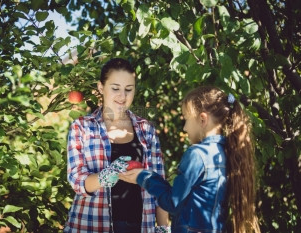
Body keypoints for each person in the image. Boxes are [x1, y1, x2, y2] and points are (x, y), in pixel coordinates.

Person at [120, 86, 261, 233]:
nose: (185, 128)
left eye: (186, 119)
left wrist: (143, 176)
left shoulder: (197, 155)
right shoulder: (228, 154)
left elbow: (173, 202)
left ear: (202, 119)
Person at [63, 58, 170, 233]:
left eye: (129, 89)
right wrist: (103, 177)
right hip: (91, 224)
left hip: (140, 226)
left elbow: (159, 184)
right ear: (100, 87)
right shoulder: (82, 127)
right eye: (115, 88)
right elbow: (76, 179)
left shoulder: (146, 130)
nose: (122, 96)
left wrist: (164, 227)